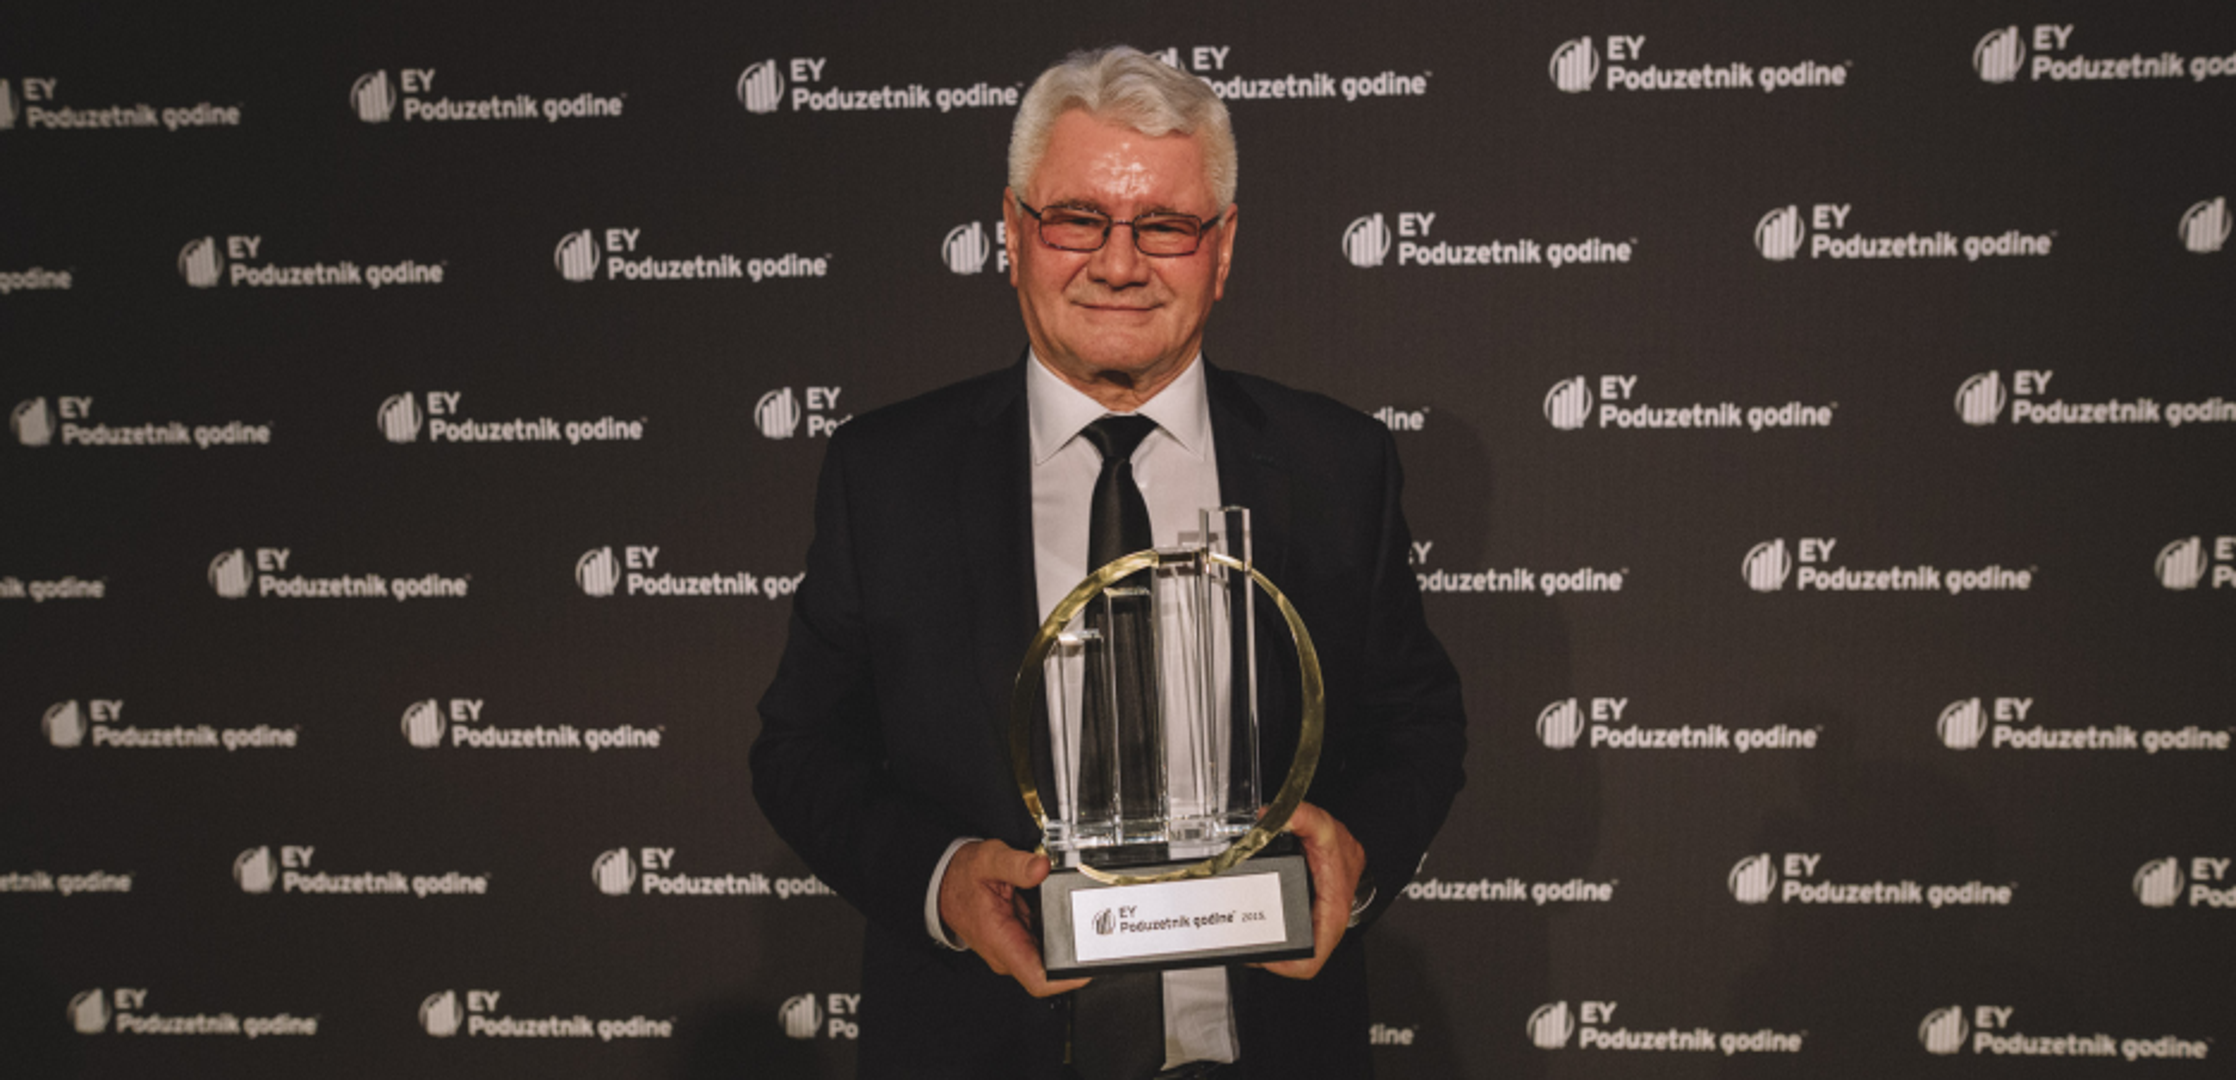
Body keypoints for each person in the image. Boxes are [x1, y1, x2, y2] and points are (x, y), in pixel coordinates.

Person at [752, 46, 1466, 1079]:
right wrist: (943, 879)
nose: (1119, 264)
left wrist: (1356, 857)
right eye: (1077, 219)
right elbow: (801, 749)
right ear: (1013, 234)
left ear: (1222, 249)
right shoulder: (888, 473)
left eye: (1164, 226)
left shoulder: (1336, 465)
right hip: (979, 1050)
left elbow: (1418, 724)